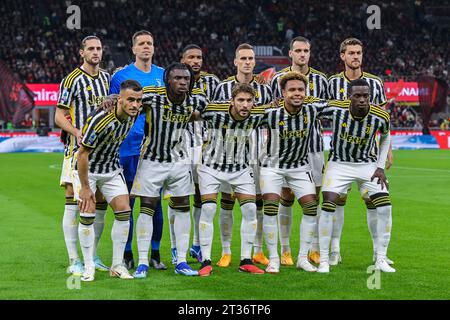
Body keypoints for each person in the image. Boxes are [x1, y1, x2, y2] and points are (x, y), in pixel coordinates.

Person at [131, 63, 207, 277]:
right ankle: (143, 262)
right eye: (177, 78)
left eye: (186, 79)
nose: (183, 82)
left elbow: (208, 111)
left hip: (179, 161)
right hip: (151, 160)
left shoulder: (196, 100)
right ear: (167, 80)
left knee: (183, 207)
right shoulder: (151, 98)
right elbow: (128, 101)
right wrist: (111, 99)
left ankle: (181, 261)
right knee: (147, 207)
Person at [327, 38, 394, 266]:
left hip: (369, 157)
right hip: (340, 156)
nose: (356, 57)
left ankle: (379, 254)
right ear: (342, 56)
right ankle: (334, 250)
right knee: (337, 202)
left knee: (373, 202)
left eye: (359, 53)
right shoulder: (333, 83)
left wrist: (386, 155)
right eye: (351, 53)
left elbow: (383, 119)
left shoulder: (375, 83)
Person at [192, 83, 266, 276]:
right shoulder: (214, 110)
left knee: (250, 209)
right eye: (240, 100)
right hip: (211, 168)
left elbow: (279, 110)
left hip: (241, 169)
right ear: (232, 101)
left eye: (249, 101)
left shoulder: (258, 114)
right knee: (208, 208)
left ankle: (246, 260)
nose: (245, 105)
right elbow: (191, 114)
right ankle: (205, 260)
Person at [73, 79, 142, 281]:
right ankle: (88, 266)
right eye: (130, 100)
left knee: (124, 210)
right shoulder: (101, 120)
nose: (135, 105)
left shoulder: (134, 111)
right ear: (120, 100)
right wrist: (86, 188)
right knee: (88, 213)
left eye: (138, 100)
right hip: (88, 169)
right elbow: (82, 154)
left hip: (111, 168)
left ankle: (117, 265)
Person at [109, 30, 166, 271]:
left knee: (154, 203)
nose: (146, 47)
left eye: (149, 43)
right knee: (127, 202)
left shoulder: (163, 75)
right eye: (141, 43)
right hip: (125, 149)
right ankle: (127, 252)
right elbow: (113, 107)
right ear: (133, 49)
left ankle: (154, 253)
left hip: (153, 150)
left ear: (154, 48)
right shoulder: (121, 76)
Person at [270, 36, 328, 266]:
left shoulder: (321, 80)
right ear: (290, 53)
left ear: (309, 53)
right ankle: (285, 249)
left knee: (313, 198)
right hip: (284, 149)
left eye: (306, 50)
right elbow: (271, 108)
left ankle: (313, 248)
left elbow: (327, 110)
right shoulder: (276, 78)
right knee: (286, 197)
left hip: (313, 147)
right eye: (298, 50)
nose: (302, 54)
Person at [213, 43, 273, 268]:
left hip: (258, 150)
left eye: (251, 58)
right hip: (230, 151)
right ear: (235, 61)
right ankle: (226, 251)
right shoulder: (223, 87)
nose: (247, 62)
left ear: (255, 62)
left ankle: (257, 252)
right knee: (227, 203)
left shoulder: (265, 89)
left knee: (256, 203)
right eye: (243, 58)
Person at [55, 35, 110, 276]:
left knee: (96, 203)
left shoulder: (107, 78)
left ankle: (93, 254)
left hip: (102, 151)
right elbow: (58, 116)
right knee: (73, 201)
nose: (95, 52)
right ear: (82, 53)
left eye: (98, 48)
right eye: (91, 49)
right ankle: (74, 259)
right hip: (76, 151)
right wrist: (76, 131)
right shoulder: (71, 80)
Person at [261, 72, 324, 273]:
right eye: (292, 90)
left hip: (299, 166)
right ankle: (274, 259)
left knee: (311, 207)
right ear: (283, 93)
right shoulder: (270, 113)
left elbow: (339, 106)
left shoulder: (312, 110)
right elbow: (244, 118)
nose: (297, 93)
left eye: (300, 90)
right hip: (272, 166)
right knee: (270, 207)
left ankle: (302, 258)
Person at [166, 44, 220, 265]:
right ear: (183, 59)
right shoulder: (172, 81)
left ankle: (197, 244)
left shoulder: (213, 82)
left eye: (199, 57)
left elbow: (222, 106)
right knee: (177, 198)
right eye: (191, 57)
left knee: (200, 195)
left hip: (205, 145)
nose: (196, 61)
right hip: (178, 145)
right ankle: (174, 246)